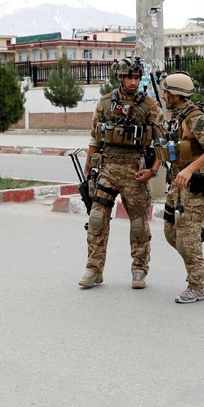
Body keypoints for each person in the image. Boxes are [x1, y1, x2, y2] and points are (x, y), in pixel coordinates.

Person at [80, 57, 164, 290]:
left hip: (134, 171)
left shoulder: (149, 105)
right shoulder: (105, 103)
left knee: (138, 224)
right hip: (107, 169)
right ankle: (93, 269)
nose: (133, 82)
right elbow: (95, 137)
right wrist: (89, 166)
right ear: (120, 77)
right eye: (129, 77)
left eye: (136, 77)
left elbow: (161, 143)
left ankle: (139, 270)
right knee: (96, 220)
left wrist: (153, 170)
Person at [157, 72, 204, 304]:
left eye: (166, 92)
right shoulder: (175, 115)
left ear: (176, 94)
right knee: (170, 232)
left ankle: (196, 286)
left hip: (193, 185)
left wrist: (189, 169)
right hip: (176, 184)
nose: (163, 96)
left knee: (188, 237)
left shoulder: (195, 118)